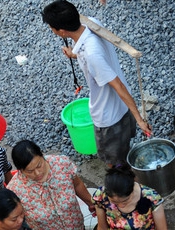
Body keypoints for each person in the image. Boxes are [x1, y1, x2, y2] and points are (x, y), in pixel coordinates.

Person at [42, 1, 150, 166]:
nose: (52, 30)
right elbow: (97, 61)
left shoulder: (91, 54)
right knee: (123, 153)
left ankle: (130, 187)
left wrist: (140, 119)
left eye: (52, 28)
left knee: (114, 164)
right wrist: (75, 54)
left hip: (108, 117)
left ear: (62, 31)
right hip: (122, 108)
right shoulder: (91, 23)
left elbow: (117, 85)